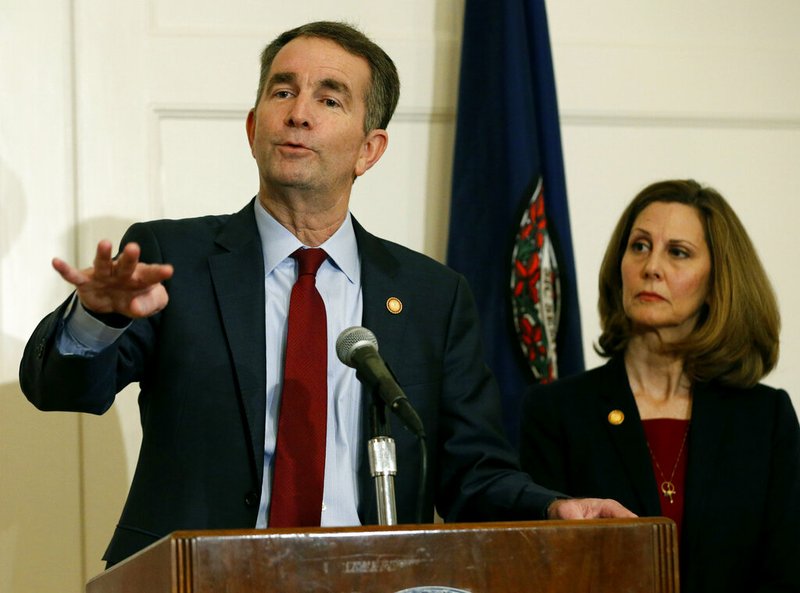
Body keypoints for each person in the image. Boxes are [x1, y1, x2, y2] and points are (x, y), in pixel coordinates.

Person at [19, 21, 632, 567]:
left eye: (328, 98)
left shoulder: (431, 296)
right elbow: (61, 391)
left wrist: (553, 508)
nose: (299, 113)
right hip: (198, 579)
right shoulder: (172, 259)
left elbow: (472, 469)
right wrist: (97, 317)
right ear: (254, 126)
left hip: (371, 580)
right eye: (282, 91)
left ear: (370, 149)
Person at [519, 179, 800, 593]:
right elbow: (542, 569)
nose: (651, 267)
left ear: (717, 281)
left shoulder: (764, 416)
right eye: (639, 246)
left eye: (678, 253)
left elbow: (787, 571)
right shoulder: (557, 411)